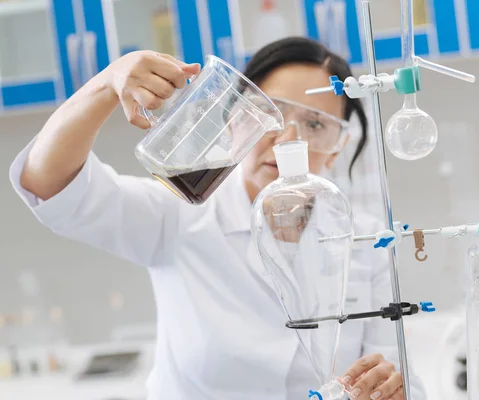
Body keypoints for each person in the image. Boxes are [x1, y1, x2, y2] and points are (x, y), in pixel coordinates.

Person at [9, 37, 425, 400]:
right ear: (235, 119)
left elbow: (399, 375)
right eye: (273, 113)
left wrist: (393, 388)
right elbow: (50, 186)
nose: (287, 139)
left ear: (336, 147)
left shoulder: (367, 240)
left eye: (315, 123)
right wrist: (105, 84)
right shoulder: (179, 213)